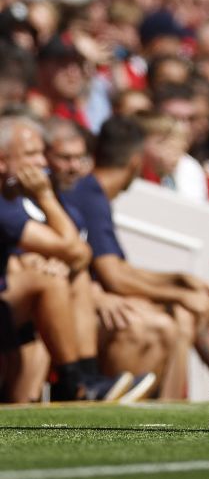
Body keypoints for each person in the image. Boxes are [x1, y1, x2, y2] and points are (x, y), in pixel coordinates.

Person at [58, 116, 209, 400]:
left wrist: (178, 281)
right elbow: (113, 275)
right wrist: (178, 294)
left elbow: (117, 268)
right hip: (82, 310)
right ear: (136, 162)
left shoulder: (94, 192)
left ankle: (207, 395)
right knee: (173, 317)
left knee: (184, 312)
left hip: (88, 303)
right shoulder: (91, 193)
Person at [0, 115, 131, 402]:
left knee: (68, 274)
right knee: (51, 279)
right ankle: (77, 385)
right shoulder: (11, 200)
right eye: (32, 155)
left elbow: (79, 254)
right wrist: (45, 196)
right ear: (2, 161)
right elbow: (73, 249)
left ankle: (85, 379)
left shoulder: (11, 197)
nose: (41, 163)